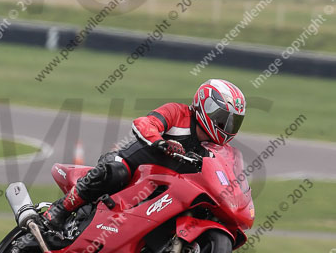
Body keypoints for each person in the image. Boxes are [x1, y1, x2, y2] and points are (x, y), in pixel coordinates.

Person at [45, 78, 246, 230]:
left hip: (162, 190)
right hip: (132, 166)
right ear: (206, 106)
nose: (226, 127)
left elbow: (224, 175)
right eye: (223, 119)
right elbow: (144, 123)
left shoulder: (215, 150)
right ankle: (59, 210)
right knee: (115, 171)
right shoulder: (178, 113)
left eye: (232, 122)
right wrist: (161, 142)